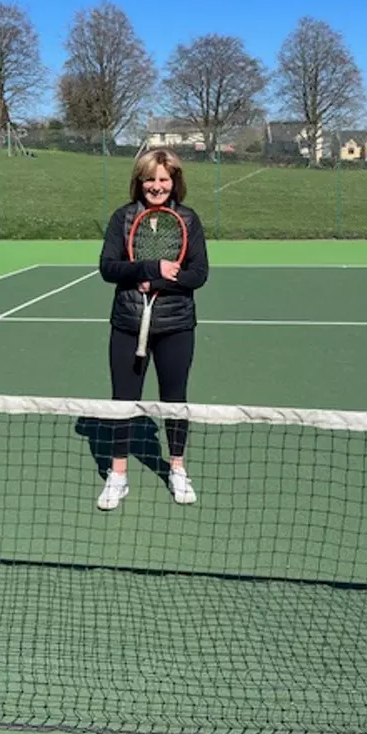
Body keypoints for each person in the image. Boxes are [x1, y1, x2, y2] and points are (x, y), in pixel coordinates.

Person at [96, 148, 209, 511]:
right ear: (139, 181)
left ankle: (176, 468)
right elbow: (109, 268)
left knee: (175, 401)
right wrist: (148, 269)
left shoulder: (188, 220)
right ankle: (118, 475)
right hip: (128, 323)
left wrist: (162, 282)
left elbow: (198, 275)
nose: (157, 186)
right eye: (150, 178)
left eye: (164, 179)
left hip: (176, 324)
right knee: (122, 403)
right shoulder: (123, 218)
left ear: (175, 182)